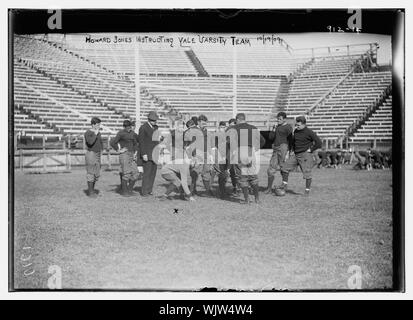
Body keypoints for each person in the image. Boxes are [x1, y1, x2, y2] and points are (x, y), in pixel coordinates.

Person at [227, 113, 265, 204]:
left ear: (237, 120)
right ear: (244, 119)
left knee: (243, 177)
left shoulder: (233, 128)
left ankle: (247, 200)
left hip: (239, 151)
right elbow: (263, 141)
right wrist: (255, 149)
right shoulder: (253, 128)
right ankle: (257, 199)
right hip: (250, 151)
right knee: (253, 176)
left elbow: (229, 141)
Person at [279, 116, 322, 196]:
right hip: (295, 154)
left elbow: (319, 142)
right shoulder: (296, 131)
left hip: (305, 155)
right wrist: (292, 150)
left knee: (307, 173)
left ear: (304, 124)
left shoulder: (309, 132)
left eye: (298, 125)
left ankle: (307, 191)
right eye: (296, 125)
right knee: (284, 168)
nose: (296, 126)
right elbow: (294, 142)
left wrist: (311, 150)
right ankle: (284, 184)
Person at [265, 112, 293, 193]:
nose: (278, 120)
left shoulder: (288, 127)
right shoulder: (276, 126)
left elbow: (291, 139)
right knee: (271, 168)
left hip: (283, 147)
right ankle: (269, 188)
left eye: (280, 119)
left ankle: (284, 186)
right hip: (276, 148)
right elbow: (270, 138)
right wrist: (273, 129)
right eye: (278, 119)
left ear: (284, 119)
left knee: (283, 167)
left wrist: (290, 150)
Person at [110, 120, 139, 197]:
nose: (129, 128)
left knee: (136, 173)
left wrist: (136, 152)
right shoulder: (121, 133)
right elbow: (113, 142)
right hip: (124, 154)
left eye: (129, 126)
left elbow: (136, 143)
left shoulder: (133, 133)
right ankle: (124, 191)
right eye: (127, 127)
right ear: (124, 127)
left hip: (132, 154)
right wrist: (119, 150)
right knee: (126, 173)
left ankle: (129, 190)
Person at [138, 111, 161, 197]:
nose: (155, 121)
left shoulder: (156, 127)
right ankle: (144, 191)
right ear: (149, 119)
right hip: (147, 154)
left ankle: (149, 190)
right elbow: (141, 142)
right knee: (147, 173)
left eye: (155, 120)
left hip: (155, 153)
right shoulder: (143, 128)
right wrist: (144, 154)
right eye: (153, 120)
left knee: (153, 173)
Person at [84, 117, 103, 198]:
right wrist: (95, 133)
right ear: (93, 124)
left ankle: (93, 191)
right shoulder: (88, 132)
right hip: (91, 153)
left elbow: (100, 142)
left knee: (96, 173)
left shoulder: (98, 132)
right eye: (97, 124)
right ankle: (90, 192)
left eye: (99, 124)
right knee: (91, 173)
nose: (99, 126)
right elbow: (90, 142)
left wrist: (102, 150)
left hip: (98, 154)